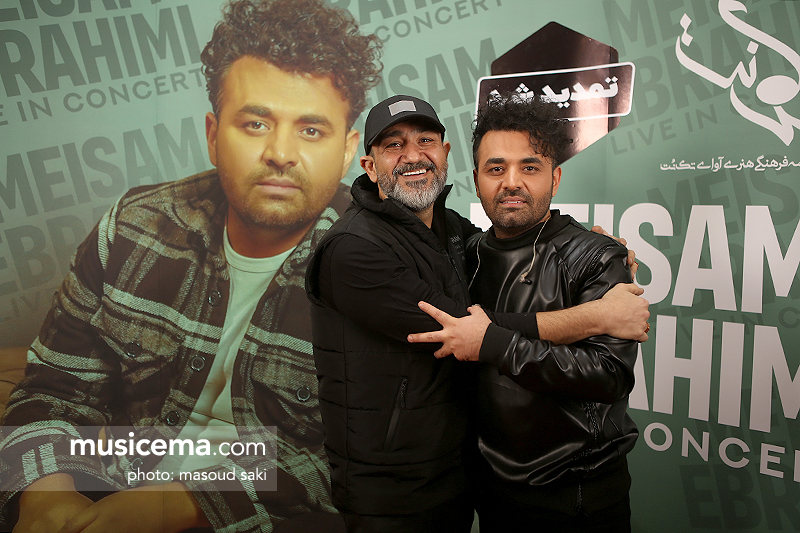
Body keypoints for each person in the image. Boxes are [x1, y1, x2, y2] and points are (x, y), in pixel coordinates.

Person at [0, 1, 381, 532]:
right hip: (115, 478)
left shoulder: (385, 265)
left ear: (348, 150)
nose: (280, 153)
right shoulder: (135, 227)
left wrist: (178, 504)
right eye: (255, 123)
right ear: (213, 135)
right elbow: (53, 388)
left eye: (311, 131)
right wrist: (45, 499)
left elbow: (365, 458)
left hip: (266, 513)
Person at [305, 94, 648, 532]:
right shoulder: (352, 248)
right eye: (393, 144)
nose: (413, 155)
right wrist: (595, 316)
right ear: (370, 167)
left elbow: (606, 372)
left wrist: (600, 250)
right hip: (392, 490)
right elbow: (466, 329)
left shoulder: (459, 236)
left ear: (444, 153)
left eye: (425, 140)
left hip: (540, 489)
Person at [408, 93, 644, 532]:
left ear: (555, 178)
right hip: (489, 490)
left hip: (575, 496)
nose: (511, 182)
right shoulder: (466, 255)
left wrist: (494, 344)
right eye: (496, 169)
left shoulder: (594, 256)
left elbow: (609, 374)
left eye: (529, 168)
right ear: (476, 179)